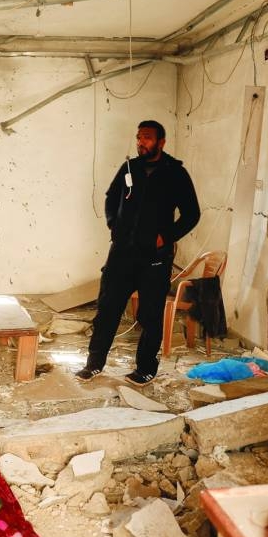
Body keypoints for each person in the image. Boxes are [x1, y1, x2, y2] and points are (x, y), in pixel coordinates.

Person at [76, 120, 200, 386]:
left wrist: (165, 237)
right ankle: (93, 364)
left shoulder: (175, 173)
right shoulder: (129, 168)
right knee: (107, 310)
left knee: (150, 316)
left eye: (147, 138)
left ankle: (145, 369)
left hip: (154, 258)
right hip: (121, 254)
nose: (141, 142)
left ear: (161, 142)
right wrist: (113, 224)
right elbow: (111, 197)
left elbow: (192, 214)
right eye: (139, 138)